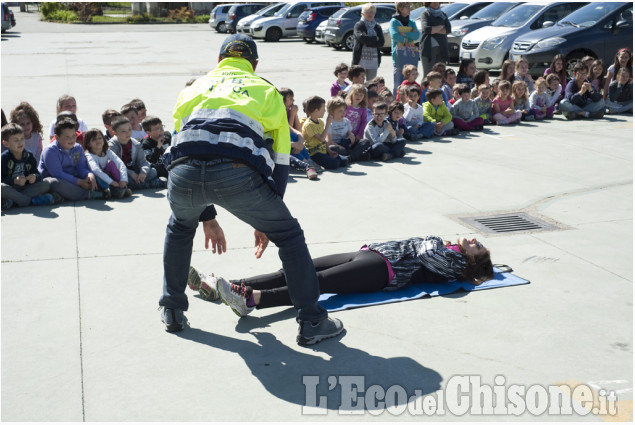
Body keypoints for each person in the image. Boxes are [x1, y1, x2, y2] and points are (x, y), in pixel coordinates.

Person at [160, 34, 344, 344]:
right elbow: (281, 160)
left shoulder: (192, 88)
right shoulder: (265, 89)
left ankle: (172, 310)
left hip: (182, 174)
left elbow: (185, 145)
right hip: (235, 172)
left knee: (179, 229)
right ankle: (312, 321)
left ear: (220, 61)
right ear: (254, 64)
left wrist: (206, 215)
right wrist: (268, 220)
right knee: (289, 236)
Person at [188, 236, 494, 314]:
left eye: (477, 246)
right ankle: (225, 287)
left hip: (383, 270)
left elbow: (426, 254)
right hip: (369, 253)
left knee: (316, 283)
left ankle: (254, 301)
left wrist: (435, 241)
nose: (472, 240)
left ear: (473, 261)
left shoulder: (455, 266)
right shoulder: (450, 249)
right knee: (295, 269)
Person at [39, 117, 102, 202]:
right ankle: (88, 194)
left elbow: (81, 168)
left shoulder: (78, 147)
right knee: (54, 183)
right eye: (67, 137)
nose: (72, 139)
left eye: (73, 135)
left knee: (95, 175)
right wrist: (79, 182)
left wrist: (89, 175)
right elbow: (57, 174)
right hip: (58, 180)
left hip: (74, 180)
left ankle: (61, 197)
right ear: (57, 137)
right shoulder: (50, 151)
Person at [1, 123, 54, 210]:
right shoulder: (3, 158)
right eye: (16, 140)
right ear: (6, 144)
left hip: (25, 189)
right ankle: (30, 201)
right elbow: (1, 179)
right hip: (11, 188)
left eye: (22, 139)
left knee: (45, 184)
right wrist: (14, 181)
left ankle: (14, 201)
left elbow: (38, 175)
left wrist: (34, 177)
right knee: (1, 188)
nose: (20, 142)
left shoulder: (29, 155)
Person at [108, 116, 164, 190]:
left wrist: (143, 172)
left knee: (153, 172)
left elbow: (143, 161)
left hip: (134, 171)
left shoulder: (136, 144)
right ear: (114, 133)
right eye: (123, 131)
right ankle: (151, 184)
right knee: (124, 179)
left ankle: (135, 185)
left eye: (129, 129)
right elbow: (114, 165)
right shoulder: (112, 145)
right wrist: (130, 173)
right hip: (120, 172)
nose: (128, 133)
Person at [302, 96, 348, 170]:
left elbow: (324, 142)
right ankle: (313, 162)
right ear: (316, 110)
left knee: (344, 161)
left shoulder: (320, 122)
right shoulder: (309, 125)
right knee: (335, 164)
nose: (324, 111)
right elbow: (322, 139)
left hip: (323, 150)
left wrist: (329, 151)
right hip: (314, 153)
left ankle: (328, 157)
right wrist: (328, 123)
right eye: (323, 109)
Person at [83, 129, 131, 199]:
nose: (98, 141)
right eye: (94, 139)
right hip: (98, 181)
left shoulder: (108, 151)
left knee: (112, 164)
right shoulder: (89, 155)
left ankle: (122, 187)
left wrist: (123, 179)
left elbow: (120, 164)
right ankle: (112, 191)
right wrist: (111, 182)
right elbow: (96, 170)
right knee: (96, 174)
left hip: (107, 178)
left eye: (100, 138)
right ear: (88, 144)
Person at [327, 96, 370, 162]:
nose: (343, 113)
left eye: (344, 110)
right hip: (338, 146)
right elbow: (329, 141)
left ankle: (349, 157)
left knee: (365, 141)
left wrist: (352, 137)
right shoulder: (330, 123)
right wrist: (341, 147)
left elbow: (350, 133)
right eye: (340, 111)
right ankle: (355, 155)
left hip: (347, 145)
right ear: (332, 112)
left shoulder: (346, 121)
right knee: (331, 148)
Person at [389, 2, 420, 94]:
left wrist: (405, 34)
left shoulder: (412, 22)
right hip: (399, 55)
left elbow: (417, 35)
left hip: (411, 54)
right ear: (401, 8)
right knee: (398, 83)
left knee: (410, 83)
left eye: (410, 6)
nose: (410, 9)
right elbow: (395, 36)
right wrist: (410, 35)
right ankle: (397, 103)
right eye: (407, 7)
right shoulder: (394, 21)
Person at [352, 3, 384, 81]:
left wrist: (368, 41)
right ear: (362, 13)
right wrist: (374, 38)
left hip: (374, 61)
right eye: (368, 12)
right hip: (360, 60)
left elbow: (381, 42)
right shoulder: (359, 25)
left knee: (371, 84)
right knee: (359, 83)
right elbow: (361, 38)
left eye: (372, 12)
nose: (370, 14)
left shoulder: (377, 27)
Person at [419, 2, 451, 77]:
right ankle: (425, 89)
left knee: (441, 74)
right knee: (428, 75)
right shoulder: (425, 14)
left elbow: (448, 29)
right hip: (428, 49)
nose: (435, 2)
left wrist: (434, 29)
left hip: (442, 49)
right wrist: (441, 27)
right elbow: (427, 29)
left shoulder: (443, 14)